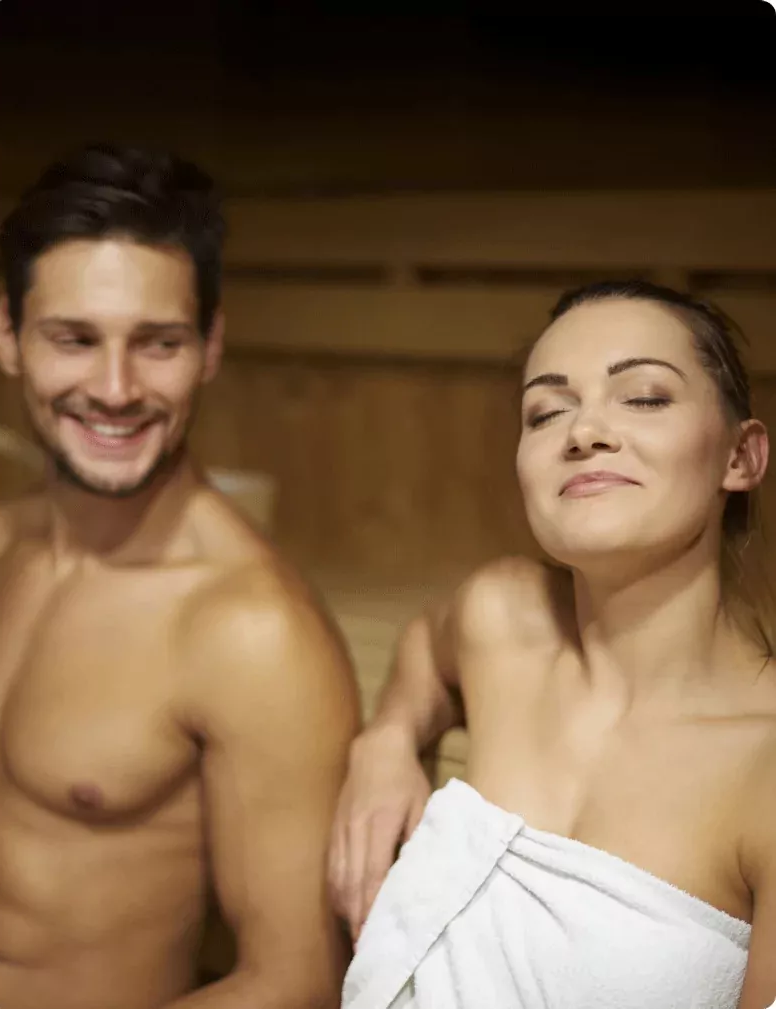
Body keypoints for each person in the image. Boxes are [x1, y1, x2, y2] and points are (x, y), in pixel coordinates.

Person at [329, 281, 776, 1009]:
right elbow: (425, 647)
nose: (585, 430)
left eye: (644, 397)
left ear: (740, 455)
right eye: (547, 410)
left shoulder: (767, 768)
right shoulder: (503, 619)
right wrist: (385, 739)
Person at [0, 144, 360, 1009]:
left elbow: (297, 982)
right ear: (8, 334)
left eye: (157, 344)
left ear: (211, 346)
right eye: (74, 339)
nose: (115, 388)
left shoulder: (249, 630)